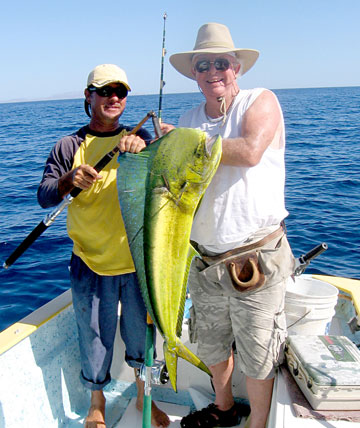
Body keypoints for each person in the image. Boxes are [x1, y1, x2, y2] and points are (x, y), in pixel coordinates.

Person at [162, 23, 295, 428]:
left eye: (222, 62)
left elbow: (251, 151)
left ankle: (256, 423)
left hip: (254, 258)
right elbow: (173, 180)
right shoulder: (187, 117)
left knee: (257, 351)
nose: (213, 70)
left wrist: (187, 143)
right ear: (195, 74)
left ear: (236, 67)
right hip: (203, 260)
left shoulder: (260, 101)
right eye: (204, 64)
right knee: (212, 343)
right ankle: (223, 408)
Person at [37, 64, 170, 428]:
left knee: (141, 336)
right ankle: (97, 404)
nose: (114, 97)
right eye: (105, 90)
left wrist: (146, 147)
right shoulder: (69, 146)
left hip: (138, 262)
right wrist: (68, 179)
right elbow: (45, 195)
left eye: (121, 92)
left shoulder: (141, 137)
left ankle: (145, 396)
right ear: (88, 96)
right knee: (94, 336)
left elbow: (169, 179)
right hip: (90, 262)